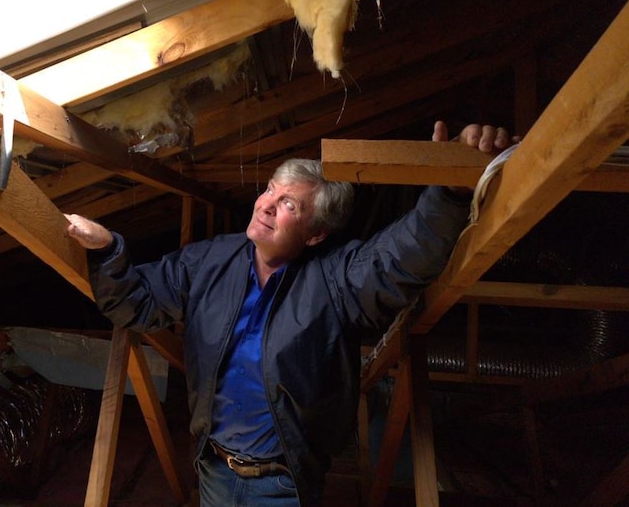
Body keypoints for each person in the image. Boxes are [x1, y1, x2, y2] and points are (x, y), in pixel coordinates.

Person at [64, 121, 514, 507]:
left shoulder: (335, 279)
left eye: (288, 205)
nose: (265, 205)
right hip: (213, 470)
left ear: (315, 234)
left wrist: (451, 191)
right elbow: (135, 302)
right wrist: (107, 247)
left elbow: (399, 257)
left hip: (282, 484)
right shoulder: (208, 262)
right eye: (269, 191)